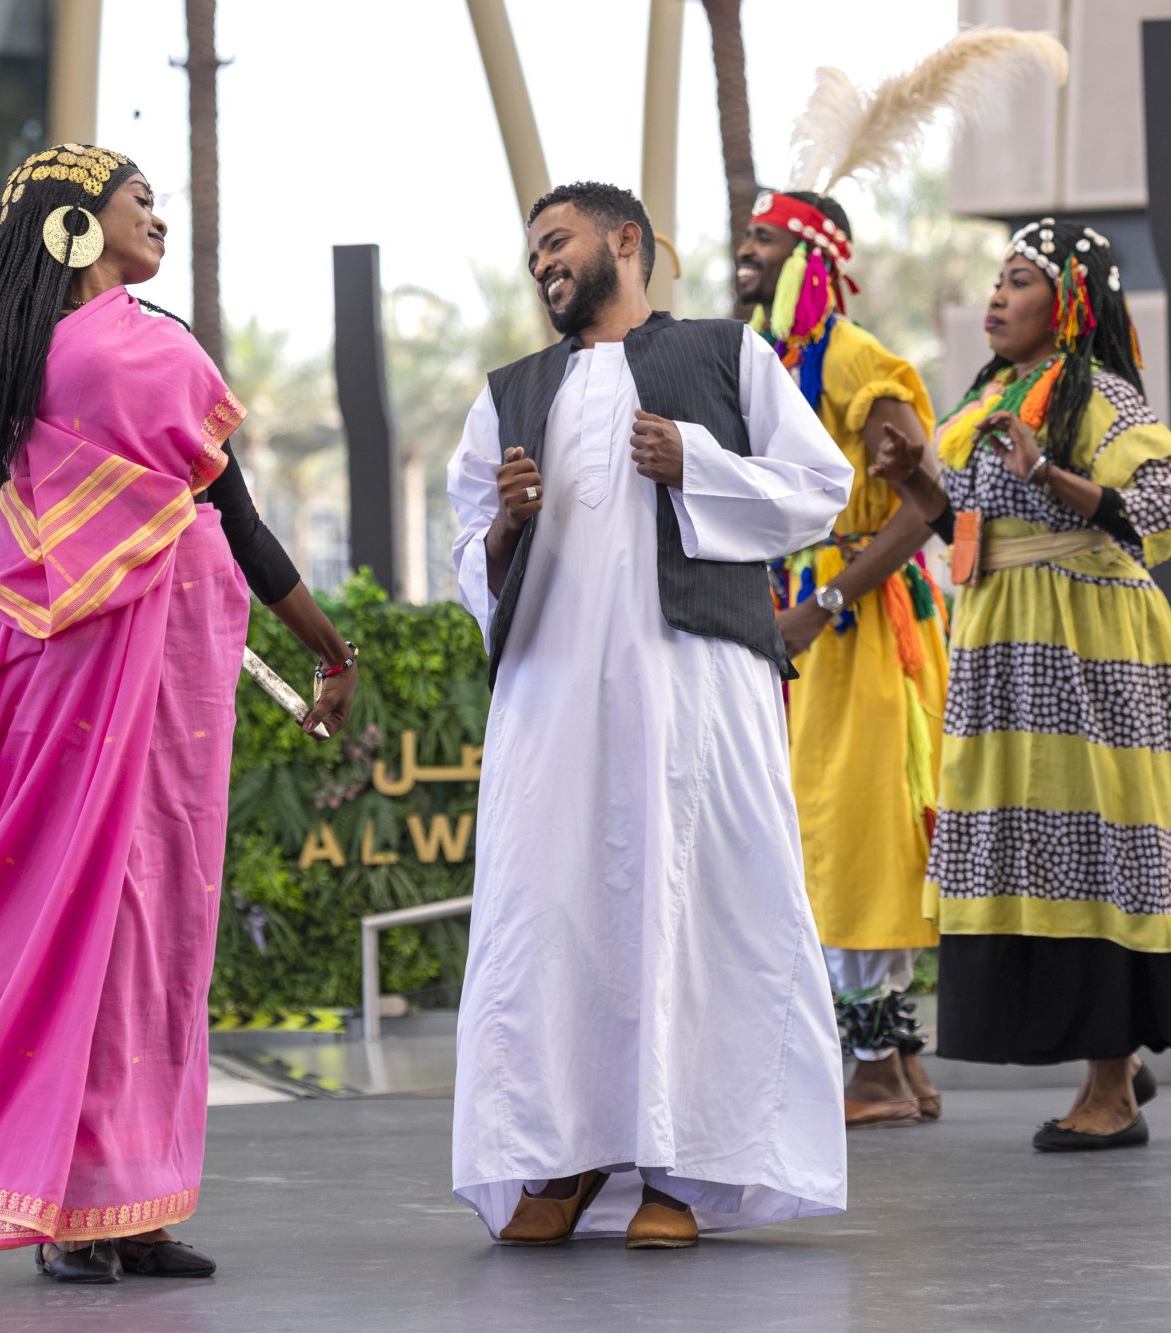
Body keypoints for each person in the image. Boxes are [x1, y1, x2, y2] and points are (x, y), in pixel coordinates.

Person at [0, 142, 357, 1283]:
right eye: (138, 203)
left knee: (154, 928)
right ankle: (59, 1206)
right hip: (61, 675)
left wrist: (327, 650)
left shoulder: (169, 345)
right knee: (66, 922)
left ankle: (132, 1203)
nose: (157, 218)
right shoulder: (11, 350)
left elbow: (240, 520)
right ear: (74, 222)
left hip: (170, 677)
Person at [446, 181, 853, 1251]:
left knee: (697, 907)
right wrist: (500, 530)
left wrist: (697, 465)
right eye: (532, 250)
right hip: (550, 697)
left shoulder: (724, 355)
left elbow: (819, 484)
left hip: (693, 690)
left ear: (625, 242)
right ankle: (563, 1156)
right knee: (555, 911)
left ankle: (689, 1172)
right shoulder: (510, 390)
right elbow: (462, 547)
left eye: (558, 241)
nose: (542, 263)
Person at [873, 219, 1171, 1151]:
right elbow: (966, 531)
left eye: (1019, 280)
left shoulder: (1097, 395)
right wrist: (914, 478)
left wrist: (1051, 471)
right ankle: (1109, 1061)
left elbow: (1164, 510)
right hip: (1001, 638)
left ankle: (1111, 1087)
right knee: (1031, 842)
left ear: (1066, 301)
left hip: (1086, 640)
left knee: (1096, 834)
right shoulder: (992, 390)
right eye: (996, 278)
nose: (996, 295)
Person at [737, 188, 948, 1128]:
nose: (746, 251)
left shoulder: (858, 361)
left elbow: (926, 505)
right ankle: (899, 1066)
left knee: (855, 837)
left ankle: (871, 1069)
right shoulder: (781, 362)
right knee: (823, 833)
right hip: (812, 625)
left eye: (764, 238)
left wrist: (820, 606)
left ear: (811, 255)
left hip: (856, 628)